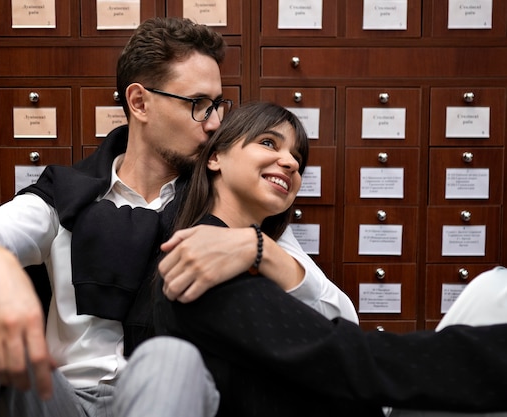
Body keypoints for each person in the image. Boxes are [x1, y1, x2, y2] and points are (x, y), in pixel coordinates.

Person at [0, 18, 356, 417]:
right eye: (198, 103)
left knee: (170, 359)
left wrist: (262, 250)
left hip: (169, 395)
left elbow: (341, 319)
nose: (215, 123)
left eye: (218, 105)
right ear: (139, 103)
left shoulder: (226, 201)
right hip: (60, 400)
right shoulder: (67, 195)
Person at [150, 101, 507, 416]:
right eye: (268, 142)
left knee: (495, 290)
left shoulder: (260, 248)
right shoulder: (205, 257)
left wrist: (259, 247)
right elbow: (343, 357)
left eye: (298, 159)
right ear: (215, 157)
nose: (290, 162)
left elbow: (333, 331)